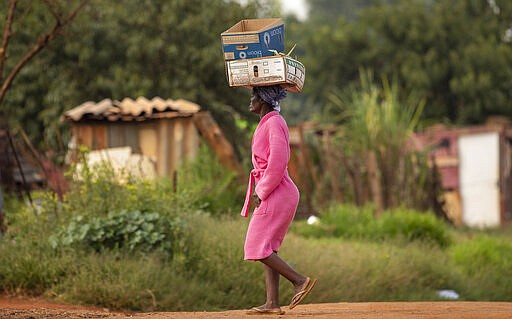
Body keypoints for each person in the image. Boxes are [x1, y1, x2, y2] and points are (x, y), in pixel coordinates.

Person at [241, 85, 317, 315]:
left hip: (277, 192)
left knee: (255, 245)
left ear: (263, 100)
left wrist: (261, 190)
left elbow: (279, 161)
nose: (251, 100)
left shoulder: (274, 122)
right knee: (268, 247)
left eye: (254, 96)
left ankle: (299, 281)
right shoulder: (270, 122)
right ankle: (272, 303)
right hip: (278, 191)